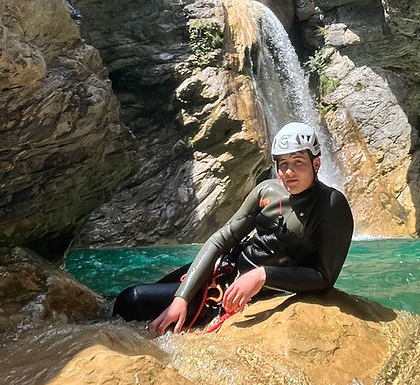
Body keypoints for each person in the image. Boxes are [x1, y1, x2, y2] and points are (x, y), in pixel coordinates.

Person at [112, 122, 354, 335]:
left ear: (317, 163)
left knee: (132, 299)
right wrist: (182, 297)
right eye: (283, 164)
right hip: (224, 267)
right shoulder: (267, 190)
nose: (288, 172)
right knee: (152, 296)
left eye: (298, 163)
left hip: (236, 289)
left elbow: (324, 278)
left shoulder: (332, 205)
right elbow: (221, 239)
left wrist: (263, 275)